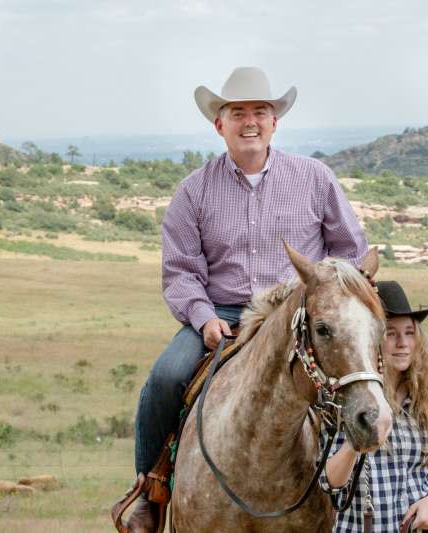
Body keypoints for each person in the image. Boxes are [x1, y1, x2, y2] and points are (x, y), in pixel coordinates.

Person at [126, 67, 368, 531]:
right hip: (222, 315)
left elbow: (349, 250)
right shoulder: (193, 191)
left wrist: (328, 296)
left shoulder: (315, 179)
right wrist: (202, 319)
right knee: (166, 377)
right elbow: (180, 271)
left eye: (261, 111)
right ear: (220, 124)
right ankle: (151, 490)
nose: (250, 121)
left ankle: (367, 493)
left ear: (275, 121)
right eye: (238, 113)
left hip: (297, 316)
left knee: (360, 382)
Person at [322, 281, 428, 532]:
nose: (402, 343)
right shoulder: (348, 399)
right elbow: (330, 482)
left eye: (409, 332)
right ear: (372, 339)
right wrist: (356, 441)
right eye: (391, 333)